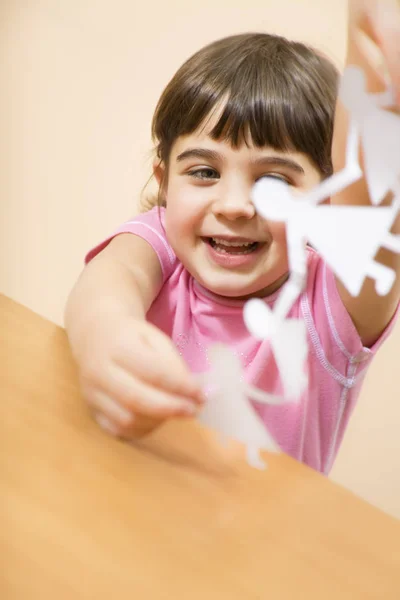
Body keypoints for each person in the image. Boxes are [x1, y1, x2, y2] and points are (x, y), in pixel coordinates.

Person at [65, 0, 400, 474]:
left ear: (327, 201)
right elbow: (105, 285)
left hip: (259, 545)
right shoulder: (158, 243)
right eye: (204, 172)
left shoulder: (332, 307)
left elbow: (371, 196)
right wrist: (103, 334)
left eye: (276, 182)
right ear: (164, 183)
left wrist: (373, 57)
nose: (235, 205)